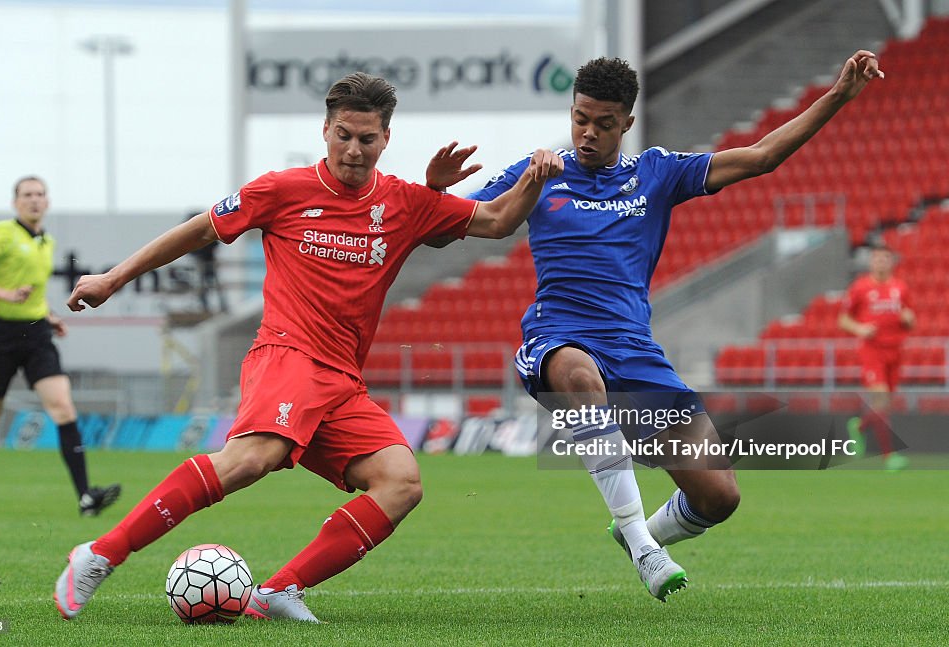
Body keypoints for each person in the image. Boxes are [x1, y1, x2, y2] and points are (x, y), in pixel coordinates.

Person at [53, 72, 563, 621]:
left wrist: (537, 174)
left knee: (401, 483)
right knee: (254, 458)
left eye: (367, 139)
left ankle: (279, 590)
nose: (353, 149)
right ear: (326, 130)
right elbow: (201, 230)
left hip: (342, 383)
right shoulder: (282, 189)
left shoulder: (404, 202)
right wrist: (114, 277)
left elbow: (499, 219)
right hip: (287, 355)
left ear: (386, 139)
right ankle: (100, 554)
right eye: (343, 134)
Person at [427, 51, 884, 600]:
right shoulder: (538, 172)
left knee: (719, 497)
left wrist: (837, 96)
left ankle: (640, 535)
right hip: (559, 336)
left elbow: (761, 157)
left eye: (603, 123)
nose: (587, 133)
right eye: (580, 118)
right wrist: (435, 194)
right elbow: (446, 231)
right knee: (577, 375)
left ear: (627, 123)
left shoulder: (658, 173)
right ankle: (642, 542)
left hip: (634, 350)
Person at [0, 177, 121, 516]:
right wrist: (6, 296)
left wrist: (49, 316)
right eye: (27, 195)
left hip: (35, 335)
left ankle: (86, 496)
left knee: (63, 407)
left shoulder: (46, 241)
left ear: (48, 202)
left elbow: (34, 294)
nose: (34, 200)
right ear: (15, 202)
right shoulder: (1, 234)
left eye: (40, 194)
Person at [838, 244, 913, 471]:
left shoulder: (901, 288)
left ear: (892, 262)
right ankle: (889, 457)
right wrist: (860, 329)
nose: (881, 262)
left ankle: (859, 426)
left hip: (895, 352)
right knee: (880, 400)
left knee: (885, 405)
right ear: (871, 262)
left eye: (885, 258)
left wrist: (909, 318)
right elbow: (843, 319)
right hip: (872, 352)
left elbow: (911, 319)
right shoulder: (860, 287)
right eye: (877, 259)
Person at [184, 210, 229, 314]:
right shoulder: (196, 229)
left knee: (211, 284)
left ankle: (218, 305)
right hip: (202, 261)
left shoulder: (205, 227)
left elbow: (216, 243)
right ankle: (206, 305)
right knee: (203, 284)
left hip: (208, 261)